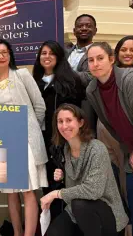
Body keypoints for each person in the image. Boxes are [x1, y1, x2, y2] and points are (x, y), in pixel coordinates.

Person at [85, 42, 133, 236]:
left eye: (100, 58)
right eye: (90, 60)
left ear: (111, 59)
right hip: (132, 149)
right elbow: (111, 127)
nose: (95, 64)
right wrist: (131, 151)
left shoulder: (130, 80)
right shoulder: (92, 90)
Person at [0, 39, 48, 236]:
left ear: (10, 55)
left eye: (5, 52)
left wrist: (32, 131)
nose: (1, 56)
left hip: (25, 142)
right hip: (2, 144)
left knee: (28, 190)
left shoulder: (22, 75)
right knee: (10, 191)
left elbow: (40, 106)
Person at [41, 104, 128, 236]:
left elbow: (93, 190)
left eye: (69, 120)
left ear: (81, 122)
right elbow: (76, 186)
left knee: (79, 204)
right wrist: (64, 176)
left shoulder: (97, 148)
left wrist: (55, 194)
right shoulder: (66, 150)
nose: (64, 126)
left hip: (107, 214)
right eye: (60, 121)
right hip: (78, 213)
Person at [32, 40, 85, 221]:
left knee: (64, 186)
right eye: (43, 53)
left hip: (65, 142)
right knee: (48, 186)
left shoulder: (71, 81)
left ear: (59, 57)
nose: (47, 57)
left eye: (51, 53)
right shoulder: (35, 83)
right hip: (43, 142)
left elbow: (78, 112)